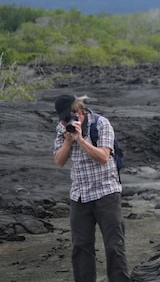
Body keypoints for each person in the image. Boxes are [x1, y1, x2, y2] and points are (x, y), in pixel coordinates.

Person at [53, 94, 131, 282]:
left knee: (114, 245)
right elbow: (59, 161)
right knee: (80, 247)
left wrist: (80, 139)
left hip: (106, 192)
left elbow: (103, 157)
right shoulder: (62, 128)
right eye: (63, 119)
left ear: (79, 111)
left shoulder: (101, 124)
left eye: (69, 118)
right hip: (79, 195)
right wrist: (68, 140)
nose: (66, 122)